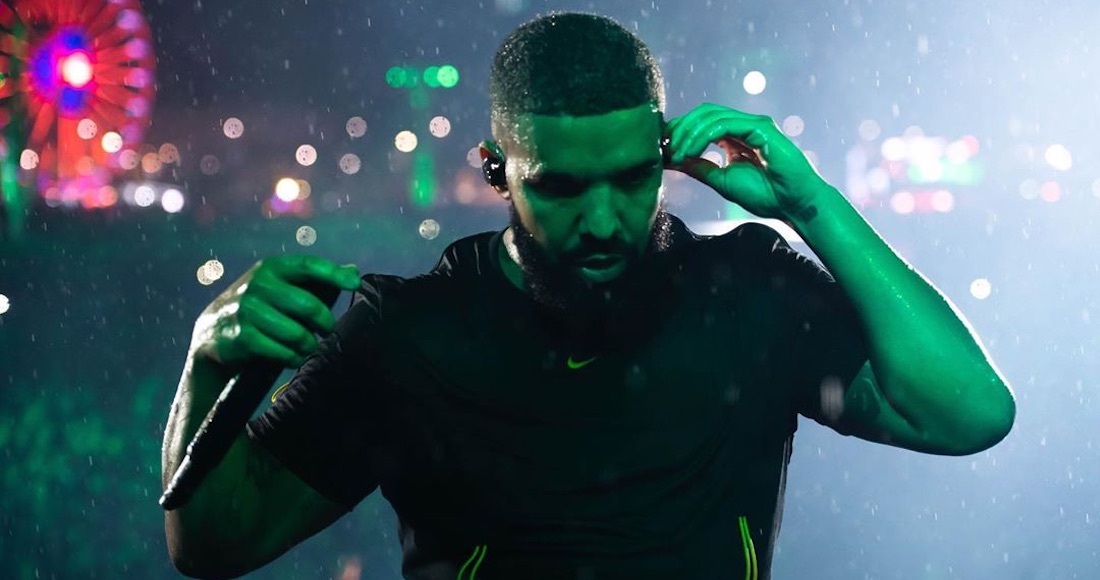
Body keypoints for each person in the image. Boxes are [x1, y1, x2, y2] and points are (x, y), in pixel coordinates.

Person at [161, 12, 1016, 580]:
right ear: (497, 170)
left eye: (632, 179)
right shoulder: (411, 335)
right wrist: (208, 361)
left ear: (665, 154)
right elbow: (212, 544)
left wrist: (811, 206)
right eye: (563, 186)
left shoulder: (750, 292)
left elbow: (970, 413)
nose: (603, 221)